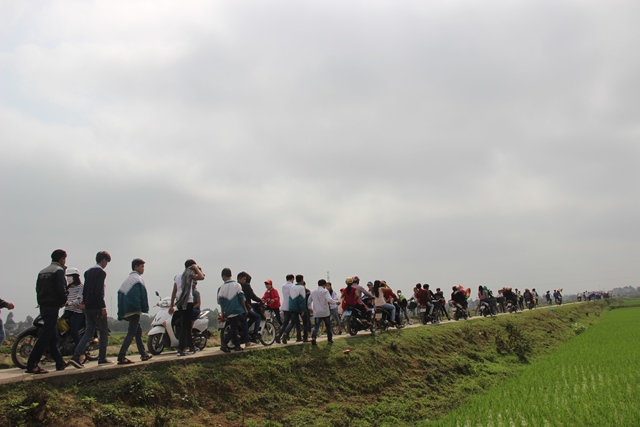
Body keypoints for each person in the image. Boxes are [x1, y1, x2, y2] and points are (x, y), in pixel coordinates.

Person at [26, 249, 68, 374]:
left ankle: (60, 363)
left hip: (43, 305)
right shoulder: (58, 271)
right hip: (53, 306)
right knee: (45, 336)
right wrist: (63, 300)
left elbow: (37, 289)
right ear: (61, 259)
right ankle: (32, 364)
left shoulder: (43, 271)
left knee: (52, 336)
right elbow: (61, 288)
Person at [69, 251, 112, 368]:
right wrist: (103, 307)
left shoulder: (88, 273)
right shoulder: (101, 273)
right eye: (106, 262)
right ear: (103, 260)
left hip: (88, 307)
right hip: (97, 307)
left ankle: (76, 356)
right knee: (103, 332)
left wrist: (84, 304)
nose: (106, 264)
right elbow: (99, 292)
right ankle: (102, 358)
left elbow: (85, 291)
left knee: (88, 333)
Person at [116, 258, 152, 364]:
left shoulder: (128, 280)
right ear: (136, 267)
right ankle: (121, 356)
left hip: (127, 309)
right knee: (131, 332)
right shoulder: (137, 279)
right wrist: (141, 309)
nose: (143, 269)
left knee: (138, 331)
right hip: (134, 309)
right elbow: (140, 295)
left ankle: (143, 354)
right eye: (142, 266)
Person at [170, 259, 205, 357]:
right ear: (191, 267)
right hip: (188, 302)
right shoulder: (189, 275)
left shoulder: (178, 276)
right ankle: (181, 349)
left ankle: (191, 346)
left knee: (187, 325)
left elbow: (174, 291)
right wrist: (196, 268)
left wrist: (172, 305)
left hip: (180, 302)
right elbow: (201, 277)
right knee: (185, 326)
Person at [218, 267, 251, 352]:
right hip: (237, 310)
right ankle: (224, 344)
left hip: (228, 310)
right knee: (234, 328)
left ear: (223, 276)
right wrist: (245, 309)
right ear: (231, 275)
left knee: (236, 325)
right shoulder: (237, 285)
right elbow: (242, 298)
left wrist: (223, 313)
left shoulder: (222, 288)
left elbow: (221, 302)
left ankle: (237, 346)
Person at [308, 279, 340, 345]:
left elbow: (309, 301)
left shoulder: (313, 292)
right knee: (328, 326)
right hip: (325, 312)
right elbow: (329, 300)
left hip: (317, 312)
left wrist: (310, 308)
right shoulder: (325, 291)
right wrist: (336, 302)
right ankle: (330, 339)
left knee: (316, 326)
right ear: (324, 285)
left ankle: (313, 337)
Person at [281, 274, 309, 344]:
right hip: (298, 307)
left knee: (292, 322)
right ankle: (305, 338)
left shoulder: (292, 287)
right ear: (302, 280)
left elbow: (290, 297)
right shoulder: (302, 288)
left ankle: (286, 333)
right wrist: (302, 310)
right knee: (305, 322)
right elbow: (302, 299)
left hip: (292, 307)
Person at [61, 267, 84, 346]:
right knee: (59, 326)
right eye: (67, 276)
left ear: (75, 277)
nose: (68, 278)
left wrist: (69, 303)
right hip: (68, 311)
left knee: (73, 331)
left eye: (70, 276)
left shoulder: (80, 287)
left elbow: (79, 299)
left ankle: (80, 350)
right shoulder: (67, 288)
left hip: (77, 312)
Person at [238, 271, 263, 342]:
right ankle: (255, 334)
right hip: (245, 307)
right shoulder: (247, 286)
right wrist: (260, 300)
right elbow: (253, 296)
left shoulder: (237, 286)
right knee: (257, 316)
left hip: (238, 307)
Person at [276, 274, 300, 343]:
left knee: (285, 323)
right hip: (292, 306)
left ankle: (279, 334)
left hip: (285, 306)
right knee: (292, 322)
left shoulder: (283, 286)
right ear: (292, 279)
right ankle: (286, 333)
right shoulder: (293, 286)